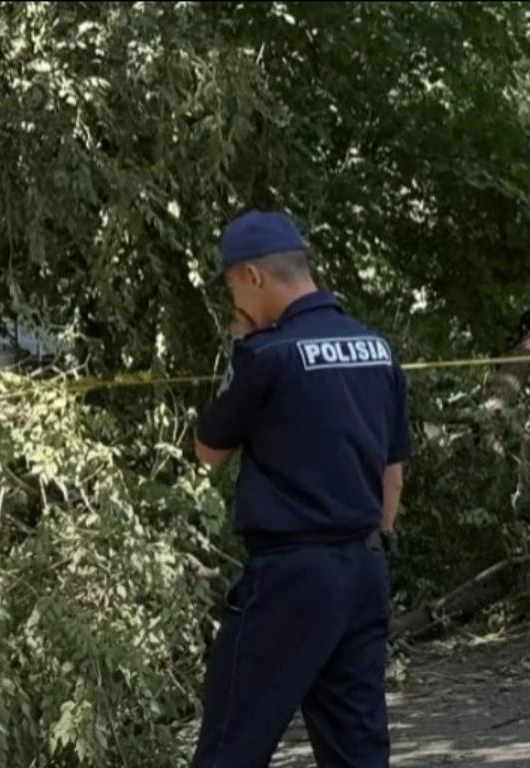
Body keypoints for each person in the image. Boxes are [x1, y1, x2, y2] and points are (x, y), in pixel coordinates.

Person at [191, 210, 410, 767]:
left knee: (232, 744)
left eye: (233, 289)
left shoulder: (266, 354)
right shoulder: (377, 349)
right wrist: (371, 537)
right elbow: (392, 474)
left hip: (290, 577)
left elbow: (208, 452)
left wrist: (240, 349)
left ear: (252, 276)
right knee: (357, 750)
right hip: (363, 571)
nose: (234, 302)